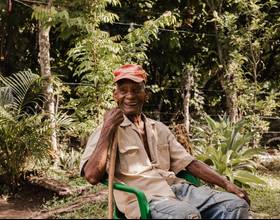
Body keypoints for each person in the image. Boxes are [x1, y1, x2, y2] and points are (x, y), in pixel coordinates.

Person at [80, 64, 250, 219]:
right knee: (186, 216)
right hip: (146, 199)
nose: (129, 96)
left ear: (145, 95)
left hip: (178, 190)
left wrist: (227, 184)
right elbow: (92, 176)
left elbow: (190, 163)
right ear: (116, 95)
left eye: (136, 89)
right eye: (123, 90)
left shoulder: (159, 128)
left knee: (235, 206)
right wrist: (108, 128)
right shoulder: (108, 130)